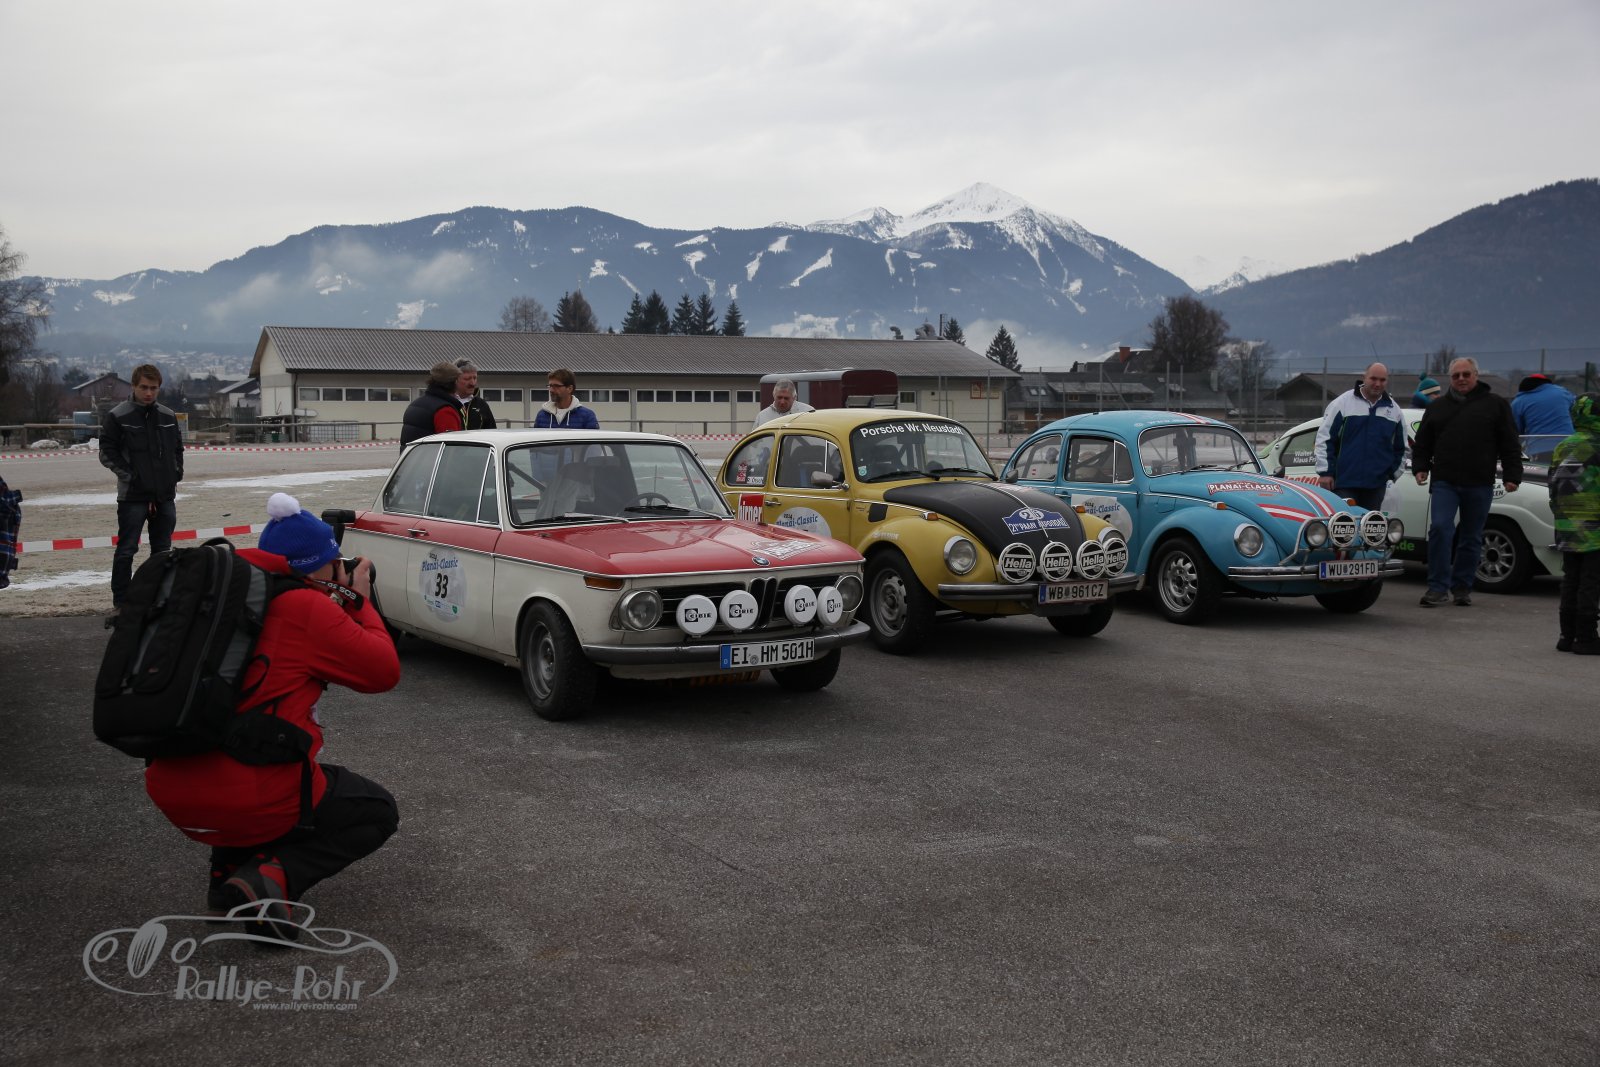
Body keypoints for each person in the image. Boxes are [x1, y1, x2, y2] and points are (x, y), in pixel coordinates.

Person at [142, 493, 401, 939]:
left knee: (241, 743)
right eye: (336, 563)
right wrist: (359, 601)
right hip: (252, 797)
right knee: (375, 811)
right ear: (319, 568)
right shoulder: (305, 608)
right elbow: (383, 672)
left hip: (170, 785)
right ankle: (270, 880)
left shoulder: (215, 599)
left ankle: (227, 878)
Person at [1411, 357, 1522, 608]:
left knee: (1471, 537)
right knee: (1440, 529)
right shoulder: (1437, 407)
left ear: (1476, 375)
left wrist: (1512, 475)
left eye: (1466, 374)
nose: (1461, 379)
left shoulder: (1496, 405)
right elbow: (1423, 443)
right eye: (1456, 375)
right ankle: (1437, 587)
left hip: (1479, 482)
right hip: (1445, 482)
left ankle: (1462, 587)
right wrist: (1420, 467)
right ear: (1450, 379)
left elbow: (1509, 443)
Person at [99, 364, 183, 615]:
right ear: (134, 386)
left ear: (159, 388)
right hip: (132, 496)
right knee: (127, 550)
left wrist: (176, 474)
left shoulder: (168, 416)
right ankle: (122, 602)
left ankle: (160, 598)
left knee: (163, 551)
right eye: (144, 387)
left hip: (164, 495)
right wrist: (131, 477)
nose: (148, 393)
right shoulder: (117, 416)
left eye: (153, 388)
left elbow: (177, 449)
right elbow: (107, 453)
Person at [1313, 362, 1406, 511]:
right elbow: (1324, 439)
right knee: (1345, 526)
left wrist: (1390, 477)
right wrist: (1325, 472)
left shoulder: (1395, 411)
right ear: (1364, 378)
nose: (1377, 384)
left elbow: (1401, 449)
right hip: (1343, 484)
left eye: (1382, 380)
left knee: (1371, 526)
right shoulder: (1342, 404)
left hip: (1376, 488)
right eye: (1373, 378)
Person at [1549, 394, 1600, 654]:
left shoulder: (1563, 446)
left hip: (1566, 525)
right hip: (1594, 527)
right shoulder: (1596, 445)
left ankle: (1566, 636)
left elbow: (1552, 484)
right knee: (1590, 582)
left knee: (1571, 580)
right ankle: (1586, 638)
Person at [399, 361, 465, 447]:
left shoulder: (415, 404)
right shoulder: (444, 410)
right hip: (431, 455)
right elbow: (451, 447)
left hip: (412, 455)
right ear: (454, 382)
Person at [1512, 373, 1575, 458]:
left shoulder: (1519, 401)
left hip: (1539, 449)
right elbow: (1576, 409)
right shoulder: (1562, 392)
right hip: (1568, 445)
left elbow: (1515, 431)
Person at [534, 368, 599, 429]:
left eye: (556, 386)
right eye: (550, 386)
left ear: (570, 388)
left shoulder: (587, 416)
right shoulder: (542, 416)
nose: (551, 390)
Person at [452, 358, 497, 430]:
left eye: (475, 378)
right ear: (455, 380)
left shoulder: (481, 405)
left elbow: (492, 432)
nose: (472, 383)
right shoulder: (446, 403)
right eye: (467, 379)